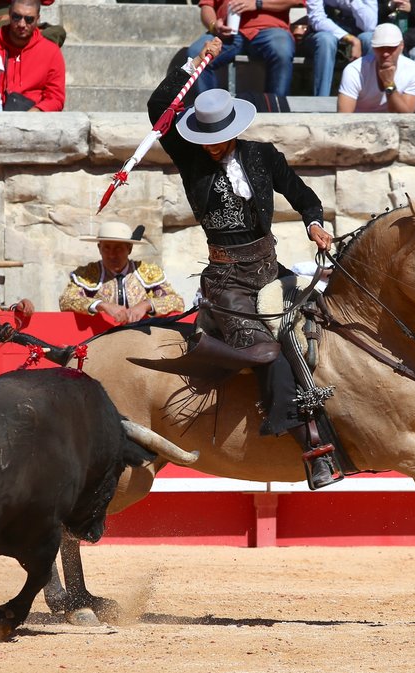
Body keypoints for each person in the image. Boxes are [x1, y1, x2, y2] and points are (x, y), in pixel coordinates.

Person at [149, 37, 345, 490]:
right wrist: (192, 66)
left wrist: (315, 223)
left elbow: (302, 194)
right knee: (263, 349)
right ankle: (308, 442)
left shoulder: (263, 157)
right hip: (226, 280)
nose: (214, 147)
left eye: (221, 139)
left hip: (270, 269)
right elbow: (159, 106)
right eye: (208, 139)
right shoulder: (190, 156)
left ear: (234, 130)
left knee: (324, 321)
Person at [58, 221, 186, 325]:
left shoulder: (148, 272)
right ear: (99, 248)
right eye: (106, 248)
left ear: (129, 249)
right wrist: (101, 305)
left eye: (118, 248)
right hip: (100, 342)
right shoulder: (86, 274)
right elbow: (66, 300)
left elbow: (177, 301)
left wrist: (146, 305)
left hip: (142, 343)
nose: (112, 254)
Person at [185, 0, 297, 97]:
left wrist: (258, 3)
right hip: (227, 32)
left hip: (270, 30)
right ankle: (211, 112)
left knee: (282, 50)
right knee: (197, 53)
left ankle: (276, 109)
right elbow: (207, 6)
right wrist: (214, 26)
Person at [337, 22, 415, 111]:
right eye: (380, 48)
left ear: (401, 46)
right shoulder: (355, 70)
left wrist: (389, 84)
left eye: (391, 48)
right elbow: (344, 115)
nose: (385, 53)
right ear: (373, 47)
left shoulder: (414, 71)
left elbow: (405, 117)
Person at [0, 0, 65, 111]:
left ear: (38, 18)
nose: (22, 24)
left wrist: (34, 113)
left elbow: (55, 98)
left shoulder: (51, 51)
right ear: (9, 14)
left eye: (29, 19)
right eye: (16, 17)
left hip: (32, 118)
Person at [304, 0, 377, 96]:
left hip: (357, 32)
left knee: (370, 39)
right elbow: (316, 19)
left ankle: (370, 100)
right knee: (326, 40)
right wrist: (350, 38)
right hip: (325, 32)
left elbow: (370, 26)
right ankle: (321, 100)